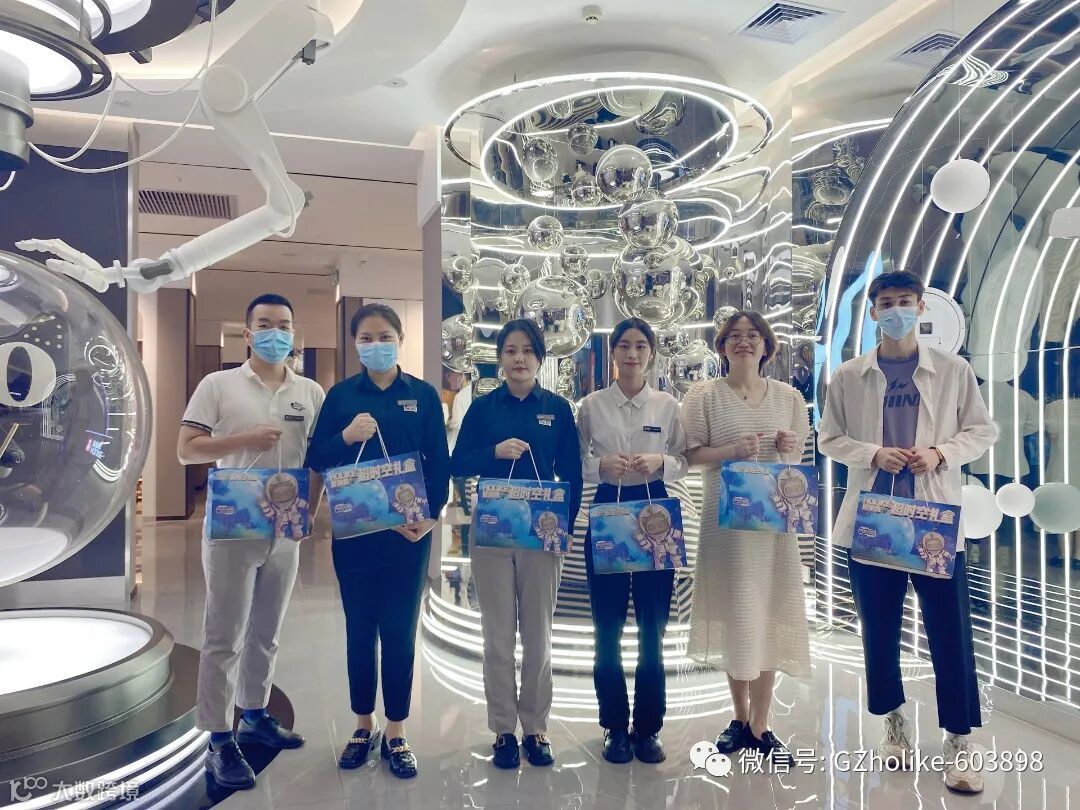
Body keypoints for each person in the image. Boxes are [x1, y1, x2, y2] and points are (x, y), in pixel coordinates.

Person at [818, 270, 998, 794]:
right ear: (873, 311)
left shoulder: (952, 369)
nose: (894, 310)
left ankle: (959, 737)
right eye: (885, 302)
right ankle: (894, 722)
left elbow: (982, 429)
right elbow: (829, 437)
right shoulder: (849, 375)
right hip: (874, 521)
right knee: (879, 630)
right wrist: (872, 453)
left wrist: (941, 452)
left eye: (904, 301)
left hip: (933, 521)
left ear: (920, 307)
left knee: (950, 632)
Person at [177, 293, 325, 790]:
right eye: (264, 324)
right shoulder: (218, 385)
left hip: (285, 528)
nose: (275, 333)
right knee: (224, 635)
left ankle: (256, 714)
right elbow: (185, 449)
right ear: (247, 334)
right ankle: (219, 738)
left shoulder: (310, 392)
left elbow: (317, 458)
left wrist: (311, 511)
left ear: (293, 333)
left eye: (283, 325)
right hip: (233, 528)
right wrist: (242, 440)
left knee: (267, 629)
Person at [305, 303, 449, 780]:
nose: (376, 344)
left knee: (401, 632)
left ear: (400, 339)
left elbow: (439, 461)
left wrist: (430, 516)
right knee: (360, 630)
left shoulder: (423, 395)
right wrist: (347, 436)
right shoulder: (341, 396)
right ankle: (362, 724)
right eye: (366, 338)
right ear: (355, 345)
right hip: (355, 535)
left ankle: (397, 730)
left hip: (408, 536)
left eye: (385, 336)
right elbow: (317, 456)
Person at [680, 310, 811, 765]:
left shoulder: (790, 398)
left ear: (766, 345)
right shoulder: (703, 395)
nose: (744, 341)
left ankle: (761, 723)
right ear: (721, 346)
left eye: (753, 335)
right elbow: (689, 454)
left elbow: (798, 459)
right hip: (726, 526)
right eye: (734, 335)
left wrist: (789, 447)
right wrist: (731, 451)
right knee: (738, 613)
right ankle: (738, 717)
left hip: (773, 524)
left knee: (769, 613)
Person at [450, 319, 582, 770]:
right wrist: (494, 452)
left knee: (539, 637)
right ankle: (504, 729)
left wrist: (565, 525)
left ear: (540, 358)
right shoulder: (483, 409)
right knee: (498, 636)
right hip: (492, 533)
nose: (519, 358)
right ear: (500, 358)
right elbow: (457, 463)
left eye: (527, 350)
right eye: (510, 350)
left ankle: (536, 726)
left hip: (542, 534)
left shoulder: (558, 409)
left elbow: (573, 471)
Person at [576, 317, 687, 764]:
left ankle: (648, 728)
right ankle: (614, 726)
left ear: (651, 354)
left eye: (641, 345)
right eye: (624, 345)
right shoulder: (591, 406)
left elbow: (684, 458)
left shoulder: (668, 405)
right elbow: (577, 461)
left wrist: (661, 463)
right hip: (608, 510)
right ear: (613, 353)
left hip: (655, 511)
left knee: (652, 629)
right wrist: (599, 468)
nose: (632, 353)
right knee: (606, 628)